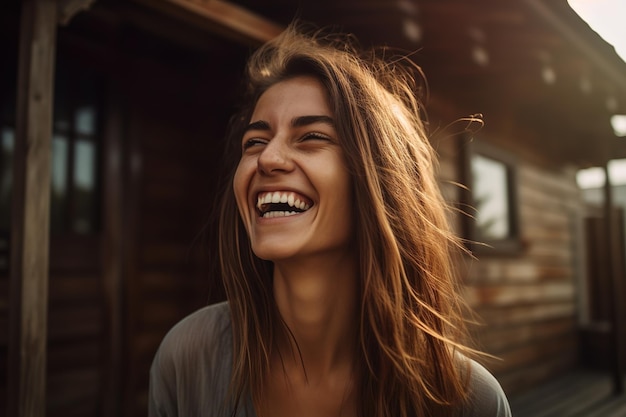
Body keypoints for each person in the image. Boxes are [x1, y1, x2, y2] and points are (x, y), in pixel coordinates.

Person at [148, 23, 512, 417]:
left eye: (311, 137)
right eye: (254, 142)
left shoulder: (468, 400)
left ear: (380, 179)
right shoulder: (187, 358)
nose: (267, 159)